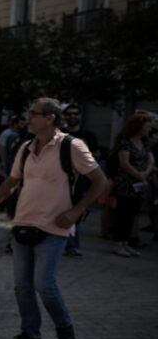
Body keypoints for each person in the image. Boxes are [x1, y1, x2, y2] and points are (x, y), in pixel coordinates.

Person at [0, 98, 106, 339]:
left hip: (54, 227)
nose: (28, 118)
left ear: (50, 118)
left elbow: (100, 181)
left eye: (33, 114)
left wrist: (76, 211)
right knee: (22, 286)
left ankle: (64, 327)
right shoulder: (26, 148)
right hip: (23, 223)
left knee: (44, 285)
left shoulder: (71, 146)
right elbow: (12, 181)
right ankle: (31, 335)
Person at [110, 114, 154, 257]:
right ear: (139, 127)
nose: (149, 129)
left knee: (133, 215)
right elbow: (124, 163)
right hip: (126, 184)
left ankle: (126, 243)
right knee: (123, 214)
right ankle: (118, 243)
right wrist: (139, 175)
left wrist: (145, 174)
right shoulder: (125, 143)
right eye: (147, 126)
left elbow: (150, 161)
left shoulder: (145, 143)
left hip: (140, 184)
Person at [61, 104, 99, 256]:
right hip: (61, 179)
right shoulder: (60, 134)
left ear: (80, 116)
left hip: (82, 181)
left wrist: (84, 150)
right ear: (64, 116)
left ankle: (72, 245)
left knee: (77, 211)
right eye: (69, 114)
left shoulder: (88, 135)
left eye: (75, 114)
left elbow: (96, 157)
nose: (72, 117)